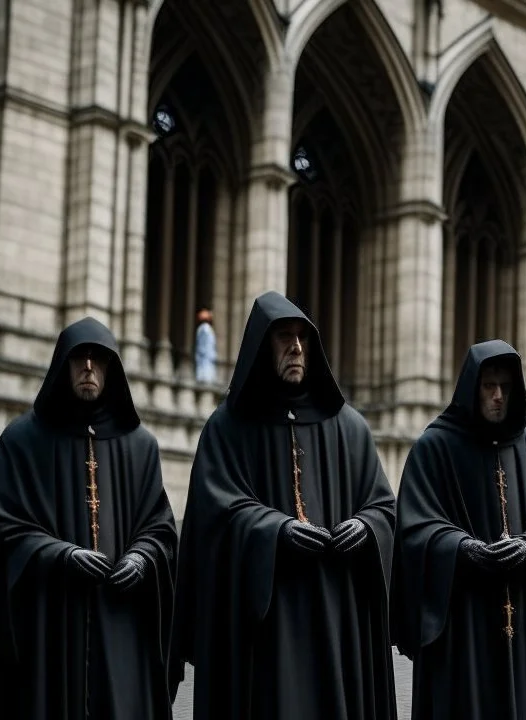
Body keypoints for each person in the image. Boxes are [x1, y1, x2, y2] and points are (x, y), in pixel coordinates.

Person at [171, 291, 397, 719]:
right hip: (264, 628)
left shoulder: (347, 426)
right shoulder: (228, 427)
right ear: (261, 346)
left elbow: (383, 504)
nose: (296, 347)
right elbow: (216, 514)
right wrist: (275, 529)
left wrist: (367, 527)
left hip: (337, 618)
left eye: (302, 338)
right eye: (284, 338)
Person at [0, 317, 177, 719]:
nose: (88, 367)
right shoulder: (22, 441)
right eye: (78, 358)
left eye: (98, 360)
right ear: (62, 366)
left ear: (111, 369)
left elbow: (160, 528)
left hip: (120, 632)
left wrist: (142, 556)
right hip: (46, 632)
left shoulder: (141, 447)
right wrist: (58, 555)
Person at [394, 339, 526, 719]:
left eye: (506, 388)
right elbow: (414, 530)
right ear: (471, 387)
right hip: (461, 627)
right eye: (488, 386)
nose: (498, 397)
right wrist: (461, 549)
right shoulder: (434, 448)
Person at [195, 308, 217, 384]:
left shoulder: (205, 328)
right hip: (205, 357)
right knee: (205, 376)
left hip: (208, 356)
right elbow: (202, 346)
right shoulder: (204, 328)